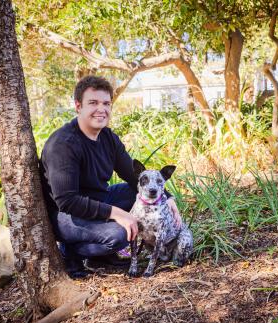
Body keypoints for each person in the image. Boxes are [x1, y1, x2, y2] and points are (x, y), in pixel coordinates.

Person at [39, 76, 181, 278]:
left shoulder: (107, 137)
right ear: (78, 106)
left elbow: (135, 178)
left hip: (98, 200)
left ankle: (100, 256)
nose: (101, 109)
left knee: (135, 191)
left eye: (106, 103)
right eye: (93, 103)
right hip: (65, 215)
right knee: (122, 234)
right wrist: (118, 214)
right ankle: (71, 253)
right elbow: (67, 201)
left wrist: (167, 197)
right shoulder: (63, 144)